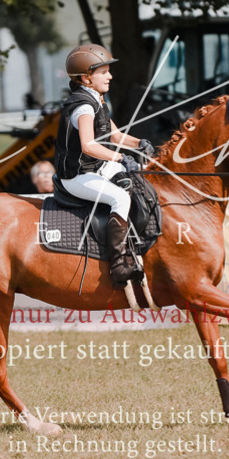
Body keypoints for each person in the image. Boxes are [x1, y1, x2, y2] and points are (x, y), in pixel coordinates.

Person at [53, 44, 153, 287]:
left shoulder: (97, 100)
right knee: (120, 198)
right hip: (77, 176)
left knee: (138, 179)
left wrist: (141, 143)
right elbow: (88, 146)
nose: (110, 76)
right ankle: (119, 264)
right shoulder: (84, 106)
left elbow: (117, 137)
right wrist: (119, 158)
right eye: (104, 72)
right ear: (86, 78)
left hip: (96, 167)